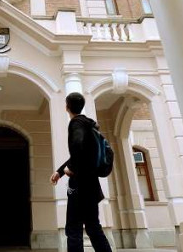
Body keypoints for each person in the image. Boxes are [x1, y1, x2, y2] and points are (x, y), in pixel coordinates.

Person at [50, 92, 113, 252]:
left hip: (79, 184)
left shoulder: (76, 123)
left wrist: (70, 169)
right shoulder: (90, 126)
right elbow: (82, 152)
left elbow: (77, 147)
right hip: (92, 183)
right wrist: (60, 172)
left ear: (67, 107)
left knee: (73, 227)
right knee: (93, 226)